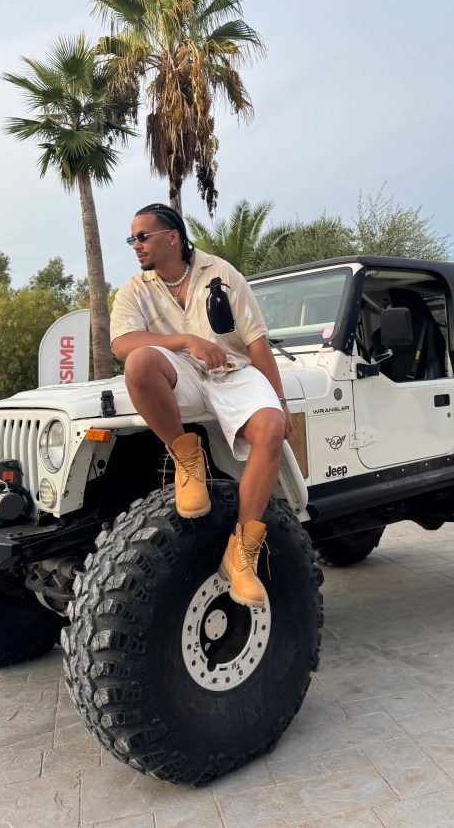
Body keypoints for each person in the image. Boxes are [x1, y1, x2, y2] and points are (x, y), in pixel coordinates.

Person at [109, 203, 291, 608]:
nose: (136, 245)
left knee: (271, 427)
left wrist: (280, 401)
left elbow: (256, 341)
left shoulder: (220, 273)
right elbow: (122, 345)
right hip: (183, 374)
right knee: (139, 363)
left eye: (143, 236)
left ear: (172, 237)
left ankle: (242, 554)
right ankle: (187, 460)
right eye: (132, 239)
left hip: (233, 371)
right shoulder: (136, 290)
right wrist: (186, 341)